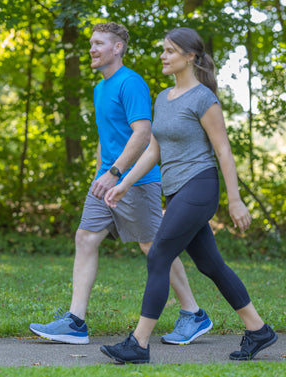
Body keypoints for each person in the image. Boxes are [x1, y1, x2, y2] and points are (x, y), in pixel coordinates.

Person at [100, 26, 278, 363]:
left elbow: (223, 151)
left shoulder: (203, 99)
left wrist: (235, 200)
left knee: (158, 255)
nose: (163, 56)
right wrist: (122, 182)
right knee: (211, 264)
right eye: (163, 50)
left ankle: (138, 344)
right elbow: (154, 149)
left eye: (169, 51)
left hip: (200, 186)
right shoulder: (163, 98)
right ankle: (258, 330)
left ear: (190, 56)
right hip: (177, 190)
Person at [29, 22, 212, 345]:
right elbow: (108, 136)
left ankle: (193, 314)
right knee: (85, 237)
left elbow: (143, 134)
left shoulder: (131, 83)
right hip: (106, 178)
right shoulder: (101, 87)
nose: (92, 49)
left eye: (99, 43)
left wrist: (116, 174)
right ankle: (75, 321)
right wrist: (100, 172)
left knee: (154, 247)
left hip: (135, 181)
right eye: (90, 44)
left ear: (117, 48)